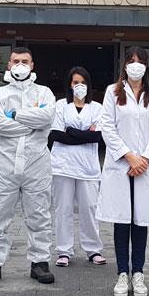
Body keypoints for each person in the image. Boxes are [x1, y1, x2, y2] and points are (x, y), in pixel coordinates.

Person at [0, 47, 57, 285]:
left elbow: (48, 119)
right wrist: (31, 122)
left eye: (25, 61)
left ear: (32, 66)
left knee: (39, 214)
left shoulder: (44, 93)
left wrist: (12, 115)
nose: (20, 65)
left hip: (36, 163)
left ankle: (40, 263)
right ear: (9, 66)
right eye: (16, 61)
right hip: (3, 163)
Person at [97, 47, 149, 296]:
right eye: (131, 61)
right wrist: (129, 156)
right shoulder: (112, 93)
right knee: (122, 220)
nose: (135, 65)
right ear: (124, 65)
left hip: (144, 169)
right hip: (121, 165)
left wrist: (145, 159)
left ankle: (138, 273)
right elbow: (107, 127)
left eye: (140, 61)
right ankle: (122, 273)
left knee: (141, 221)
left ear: (147, 65)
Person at [48, 67, 106, 267]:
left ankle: (93, 249)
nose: (79, 86)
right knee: (62, 208)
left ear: (88, 85)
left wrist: (70, 131)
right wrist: (83, 134)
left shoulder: (97, 108)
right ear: (69, 85)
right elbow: (55, 135)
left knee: (89, 208)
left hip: (88, 167)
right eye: (75, 82)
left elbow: (98, 136)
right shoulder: (60, 106)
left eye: (82, 82)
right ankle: (64, 251)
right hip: (62, 166)